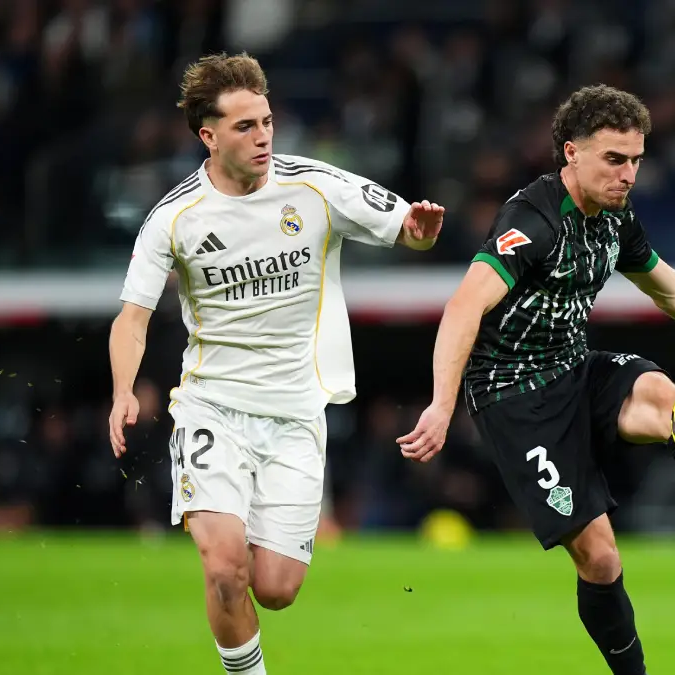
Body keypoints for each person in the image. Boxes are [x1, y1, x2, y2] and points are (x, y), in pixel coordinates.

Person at [397, 85, 675, 675]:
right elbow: (463, 308)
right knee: (602, 560)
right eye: (614, 159)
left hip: (575, 368)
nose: (628, 174)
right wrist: (441, 405)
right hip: (515, 397)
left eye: (636, 159)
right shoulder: (531, 221)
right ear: (570, 154)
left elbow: (673, 289)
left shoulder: (615, 219)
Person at [107, 53, 444, 675]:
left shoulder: (315, 186)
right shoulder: (173, 219)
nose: (263, 136)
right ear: (207, 136)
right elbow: (132, 317)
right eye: (244, 126)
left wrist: (420, 231)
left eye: (266, 121)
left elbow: (409, 229)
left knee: (277, 588)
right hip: (213, 408)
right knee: (225, 568)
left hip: (295, 416)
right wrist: (124, 389)